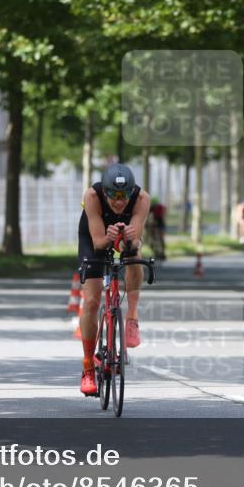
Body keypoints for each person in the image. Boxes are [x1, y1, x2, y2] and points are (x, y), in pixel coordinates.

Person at [77, 163, 151, 396]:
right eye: (114, 195)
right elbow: (98, 242)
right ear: (105, 191)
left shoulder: (141, 199)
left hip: (125, 237)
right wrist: (107, 238)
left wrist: (130, 240)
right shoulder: (92, 196)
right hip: (94, 237)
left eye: (124, 195)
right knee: (91, 301)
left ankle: (131, 318)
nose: (119, 201)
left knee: (135, 257)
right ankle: (89, 366)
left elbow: (136, 241)